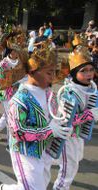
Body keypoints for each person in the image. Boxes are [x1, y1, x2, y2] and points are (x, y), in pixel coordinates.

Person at [0, 48, 73, 190]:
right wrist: (49, 130)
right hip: (25, 152)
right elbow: (18, 132)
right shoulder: (20, 99)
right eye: (48, 73)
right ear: (32, 72)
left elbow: (53, 117)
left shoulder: (48, 93)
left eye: (53, 72)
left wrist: (62, 127)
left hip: (44, 149)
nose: (52, 77)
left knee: (41, 185)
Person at [52, 46, 98, 189]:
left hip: (77, 135)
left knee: (73, 161)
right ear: (74, 73)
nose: (89, 74)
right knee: (69, 168)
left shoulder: (91, 88)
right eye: (83, 71)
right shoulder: (69, 92)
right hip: (66, 136)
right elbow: (67, 121)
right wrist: (90, 115)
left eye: (91, 69)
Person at [0, 38, 28, 141]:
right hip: (6, 94)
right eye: (14, 50)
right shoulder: (2, 65)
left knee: (9, 114)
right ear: (9, 51)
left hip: (18, 93)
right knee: (10, 117)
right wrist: (10, 82)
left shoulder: (21, 63)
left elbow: (26, 75)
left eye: (17, 51)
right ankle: (10, 142)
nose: (16, 53)